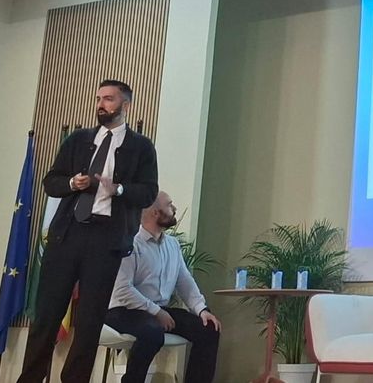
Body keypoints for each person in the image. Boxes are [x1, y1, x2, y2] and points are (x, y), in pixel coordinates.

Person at [18, 80, 159, 383]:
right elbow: (51, 182)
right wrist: (72, 183)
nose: (101, 105)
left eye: (108, 99)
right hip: (67, 235)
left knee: (89, 323)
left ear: (125, 105)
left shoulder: (140, 147)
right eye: (98, 99)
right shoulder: (79, 140)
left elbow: (148, 192)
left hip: (106, 241)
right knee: (46, 316)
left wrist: (117, 189)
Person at [106, 192, 221, 383]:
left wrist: (202, 310)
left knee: (209, 329)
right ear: (155, 213)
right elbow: (123, 289)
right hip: (124, 310)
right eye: (169, 205)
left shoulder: (172, 245)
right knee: (152, 331)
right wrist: (157, 312)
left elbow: (185, 281)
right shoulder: (130, 242)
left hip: (158, 310)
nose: (174, 209)